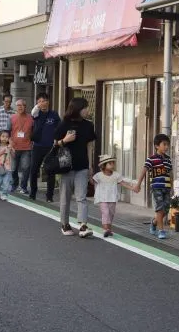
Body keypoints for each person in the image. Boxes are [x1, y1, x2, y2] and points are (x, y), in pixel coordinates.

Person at [53, 96, 97, 237]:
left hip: (82, 166)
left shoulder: (88, 125)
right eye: (85, 107)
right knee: (65, 197)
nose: (87, 110)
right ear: (78, 109)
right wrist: (64, 140)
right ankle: (64, 223)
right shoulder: (64, 124)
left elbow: (89, 146)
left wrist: (90, 166)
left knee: (81, 197)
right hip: (65, 167)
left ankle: (83, 225)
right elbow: (54, 144)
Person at [136, 134, 173, 240]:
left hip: (167, 187)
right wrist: (138, 184)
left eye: (168, 145)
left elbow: (170, 173)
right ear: (157, 146)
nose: (166, 147)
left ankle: (153, 222)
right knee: (160, 208)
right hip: (156, 187)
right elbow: (144, 171)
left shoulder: (168, 159)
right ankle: (161, 230)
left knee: (165, 210)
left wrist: (172, 186)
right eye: (164, 144)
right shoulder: (151, 159)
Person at [92, 153, 137, 238]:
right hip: (102, 198)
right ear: (104, 166)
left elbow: (123, 183)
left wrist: (132, 188)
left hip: (112, 198)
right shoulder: (99, 175)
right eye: (110, 163)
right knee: (105, 213)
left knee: (111, 214)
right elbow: (92, 181)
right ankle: (105, 229)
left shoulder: (116, 175)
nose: (112, 165)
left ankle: (109, 229)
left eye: (113, 163)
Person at [28, 93, 62, 203]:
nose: (43, 103)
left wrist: (57, 140)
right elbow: (33, 112)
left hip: (50, 147)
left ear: (49, 101)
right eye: (40, 101)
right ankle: (33, 193)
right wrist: (38, 105)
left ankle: (49, 196)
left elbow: (59, 128)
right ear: (37, 103)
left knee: (50, 172)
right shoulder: (37, 113)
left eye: (45, 100)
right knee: (34, 170)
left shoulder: (54, 115)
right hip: (37, 146)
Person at [9, 98, 34, 194]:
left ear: (25, 107)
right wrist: (10, 143)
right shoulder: (11, 118)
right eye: (19, 105)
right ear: (16, 107)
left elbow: (34, 132)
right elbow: (6, 132)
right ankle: (14, 184)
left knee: (26, 167)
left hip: (27, 147)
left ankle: (23, 186)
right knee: (13, 169)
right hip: (14, 147)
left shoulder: (31, 118)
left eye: (23, 105)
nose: (21, 107)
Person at [0, 129, 14, 201]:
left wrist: (11, 148)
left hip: (8, 168)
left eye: (7, 137)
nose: (5, 138)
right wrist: (3, 151)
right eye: (3, 136)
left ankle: (4, 194)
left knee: (6, 183)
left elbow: (14, 156)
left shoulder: (9, 147)